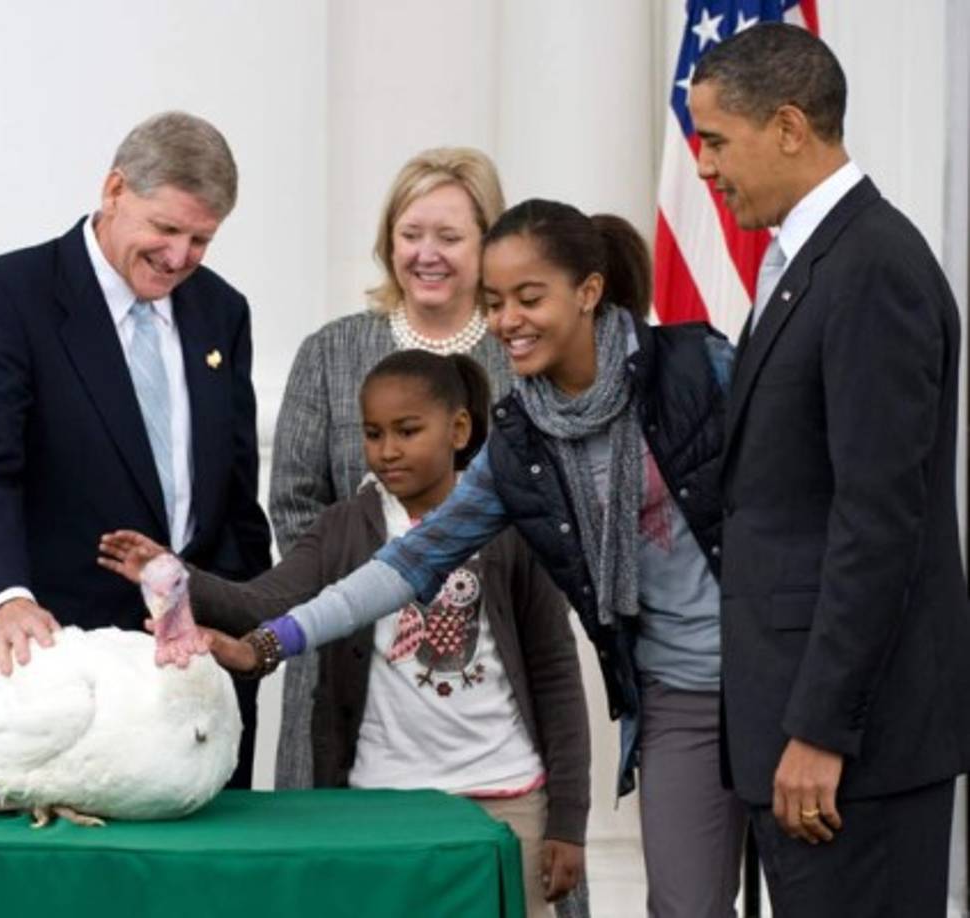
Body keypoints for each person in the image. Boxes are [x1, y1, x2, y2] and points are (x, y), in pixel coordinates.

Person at [204, 200, 747, 917]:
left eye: (528, 298)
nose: (506, 320)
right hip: (678, 692)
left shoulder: (694, 364)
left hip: (775, 664)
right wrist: (271, 642)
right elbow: (402, 567)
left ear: (587, 292)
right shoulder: (520, 442)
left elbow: (794, 510)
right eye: (494, 303)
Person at [100, 350, 590, 918]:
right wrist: (176, 574)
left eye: (408, 431)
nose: (387, 450)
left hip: (504, 798)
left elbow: (555, 672)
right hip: (378, 800)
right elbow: (265, 601)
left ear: (458, 429)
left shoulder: (509, 525)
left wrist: (568, 822)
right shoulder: (344, 526)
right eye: (373, 433)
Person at [684, 23, 970, 916]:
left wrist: (819, 730)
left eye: (716, 140)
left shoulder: (870, 267)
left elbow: (878, 523)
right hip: (803, 738)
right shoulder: (818, 260)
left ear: (788, 126)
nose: (702, 167)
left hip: (849, 753)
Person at [0, 112, 272, 789]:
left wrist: (246, 625)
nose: (180, 257)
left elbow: (233, 497)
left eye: (201, 239)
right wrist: (7, 601)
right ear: (114, 189)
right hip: (57, 685)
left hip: (193, 686)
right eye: (166, 229)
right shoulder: (9, 297)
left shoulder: (220, 312)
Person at [269, 146, 515, 792]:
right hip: (345, 656)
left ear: (487, 244)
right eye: (410, 235)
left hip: (480, 669)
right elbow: (295, 503)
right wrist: (365, 596)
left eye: (448, 236)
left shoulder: (518, 357)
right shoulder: (331, 351)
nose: (425, 253)